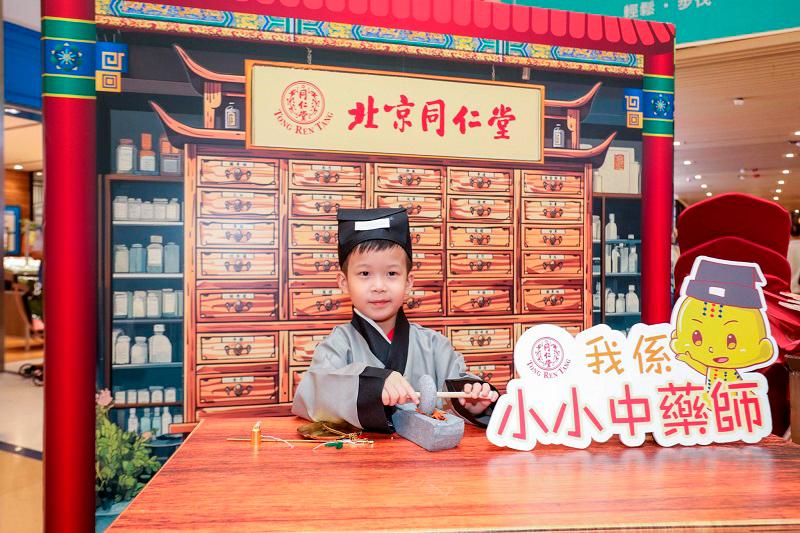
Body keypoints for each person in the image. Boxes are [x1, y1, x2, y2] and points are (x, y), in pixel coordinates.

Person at [292, 207, 499, 432]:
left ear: (409, 282)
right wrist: (374, 383)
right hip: (361, 463)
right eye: (364, 274)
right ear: (343, 282)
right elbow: (313, 395)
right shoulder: (338, 344)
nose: (379, 287)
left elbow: (458, 390)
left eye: (392, 274)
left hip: (427, 462)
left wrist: (473, 404)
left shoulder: (435, 346)